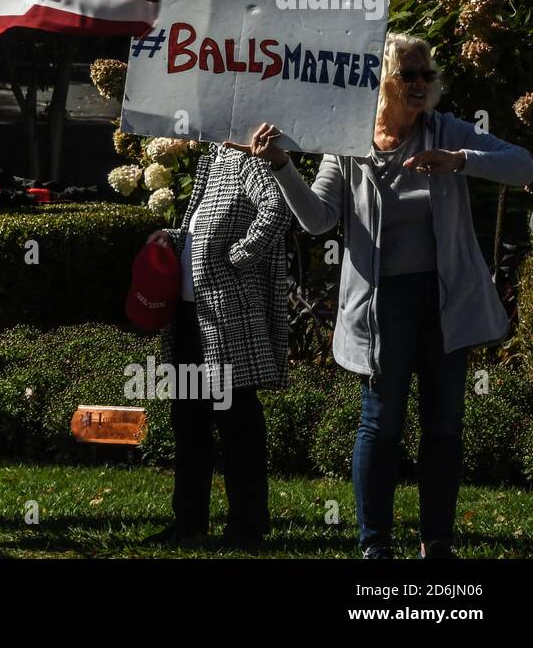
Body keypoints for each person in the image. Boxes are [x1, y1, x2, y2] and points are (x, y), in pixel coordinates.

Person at [248, 32, 533, 559]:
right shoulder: (347, 140)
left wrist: (460, 160)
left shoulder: (444, 131)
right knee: (381, 422)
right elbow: (318, 220)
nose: (422, 84)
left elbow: (525, 165)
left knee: (444, 423)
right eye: (410, 75)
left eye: (428, 75)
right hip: (382, 305)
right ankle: (375, 544)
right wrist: (283, 168)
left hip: (445, 299)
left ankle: (437, 543)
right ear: (384, 81)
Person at [146, 142, 291, 550]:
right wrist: (171, 238)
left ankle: (247, 526)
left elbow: (277, 210)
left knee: (236, 424)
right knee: (189, 424)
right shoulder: (214, 155)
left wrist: (241, 256)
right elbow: (200, 233)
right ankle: (189, 522)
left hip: (227, 317)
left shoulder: (246, 159)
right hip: (193, 316)